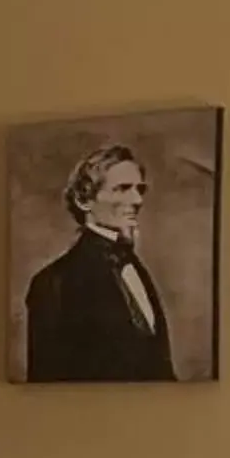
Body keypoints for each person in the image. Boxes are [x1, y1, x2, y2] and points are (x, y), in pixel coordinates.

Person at [24, 143, 174, 381]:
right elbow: (45, 386)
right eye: (122, 189)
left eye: (140, 190)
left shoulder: (133, 267)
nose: (136, 200)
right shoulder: (53, 283)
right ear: (84, 200)